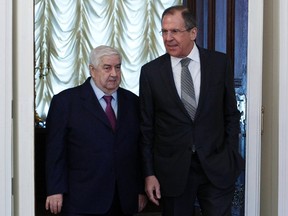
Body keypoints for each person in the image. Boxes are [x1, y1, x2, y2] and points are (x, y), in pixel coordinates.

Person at [139, 5, 245, 216]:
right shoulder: (151, 72)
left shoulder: (219, 63)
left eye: (175, 31)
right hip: (173, 171)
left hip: (216, 166)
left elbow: (231, 114)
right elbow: (146, 128)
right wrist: (149, 173)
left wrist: (230, 153)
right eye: (164, 31)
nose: (168, 38)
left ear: (193, 33)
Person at [45, 45, 147, 216]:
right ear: (92, 70)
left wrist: (139, 189)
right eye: (107, 67)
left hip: (124, 198)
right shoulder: (66, 102)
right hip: (82, 198)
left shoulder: (132, 102)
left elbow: (138, 150)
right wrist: (55, 189)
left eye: (118, 67)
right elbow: (55, 152)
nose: (114, 74)